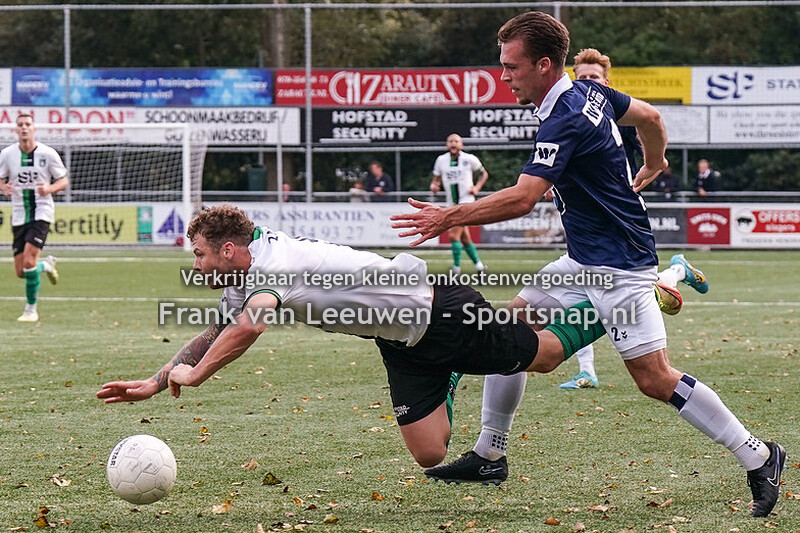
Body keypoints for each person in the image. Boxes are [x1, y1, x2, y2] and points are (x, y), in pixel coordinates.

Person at [391, 11, 784, 517]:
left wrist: (451, 215)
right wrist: (654, 162)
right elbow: (651, 119)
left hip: (620, 265)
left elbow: (523, 198)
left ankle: (759, 454)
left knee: (654, 378)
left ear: (545, 64)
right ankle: (490, 452)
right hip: (585, 259)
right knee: (511, 324)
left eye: (511, 66)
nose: (504, 75)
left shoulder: (566, 115)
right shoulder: (588, 93)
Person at [97, 205, 609, 469]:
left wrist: (199, 374)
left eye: (200, 257)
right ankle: (450, 382)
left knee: (540, 356)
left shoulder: (276, 263)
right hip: (399, 340)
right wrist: (157, 379)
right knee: (430, 454)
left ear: (228, 249)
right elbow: (220, 328)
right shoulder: (246, 273)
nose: (197, 266)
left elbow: (251, 325)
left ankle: (616, 305)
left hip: (439, 313)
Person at [560, 49, 705, 391]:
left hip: (617, 218)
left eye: (594, 78)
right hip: (585, 216)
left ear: (607, 83)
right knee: (581, 285)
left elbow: (647, 125)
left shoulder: (609, 116)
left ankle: (672, 276)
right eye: (581, 77)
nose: (587, 83)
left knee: (598, 291)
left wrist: (652, 162)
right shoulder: (566, 117)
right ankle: (676, 273)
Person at [0, 113, 67, 323]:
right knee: (21, 271)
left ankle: (31, 310)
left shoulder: (48, 153)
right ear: (16, 129)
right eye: (20, 125)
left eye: (27, 124)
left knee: (29, 260)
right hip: (19, 213)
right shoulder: (8, 154)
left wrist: (49, 188)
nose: (24, 128)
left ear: (34, 128)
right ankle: (46, 266)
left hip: (42, 211)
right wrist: (3, 187)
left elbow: (63, 180)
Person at [430, 134, 489, 274]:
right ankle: (479, 266)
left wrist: (477, 188)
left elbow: (484, 174)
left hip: (466, 202)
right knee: (464, 238)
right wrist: (434, 186)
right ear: (447, 144)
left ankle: (456, 270)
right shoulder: (441, 160)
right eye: (450, 141)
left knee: (453, 235)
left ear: (461, 145)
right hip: (452, 203)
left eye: (456, 141)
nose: (453, 144)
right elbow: (436, 179)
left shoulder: (469, 159)